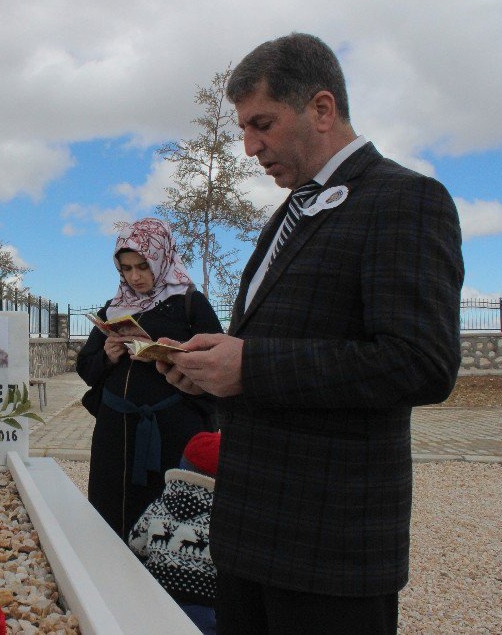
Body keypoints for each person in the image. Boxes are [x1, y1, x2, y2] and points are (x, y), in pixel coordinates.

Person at [157, 33, 463, 634]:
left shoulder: (405, 199)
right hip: (247, 541)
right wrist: (204, 372)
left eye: (262, 124)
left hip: (330, 554)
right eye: (245, 128)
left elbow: (420, 362)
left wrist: (251, 366)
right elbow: (274, 345)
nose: (249, 147)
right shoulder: (292, 211)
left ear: (322, 109)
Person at [76, 217, 221, 539]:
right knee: (110, 509)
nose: (135, 276)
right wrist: (108, 356)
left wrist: (172, 355)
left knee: (166, 517)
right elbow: (86, 368)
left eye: (142, 266)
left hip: (171, 427)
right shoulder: (111, 309)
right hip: (115, 431)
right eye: (126, 269)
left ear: (161, 258)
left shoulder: (189, 303)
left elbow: (217, 363)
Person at [129, 431, 221, 635]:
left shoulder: (160, 505)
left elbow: (136, 543)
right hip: (204, 604)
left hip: (156, 597)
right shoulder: (222, 517)